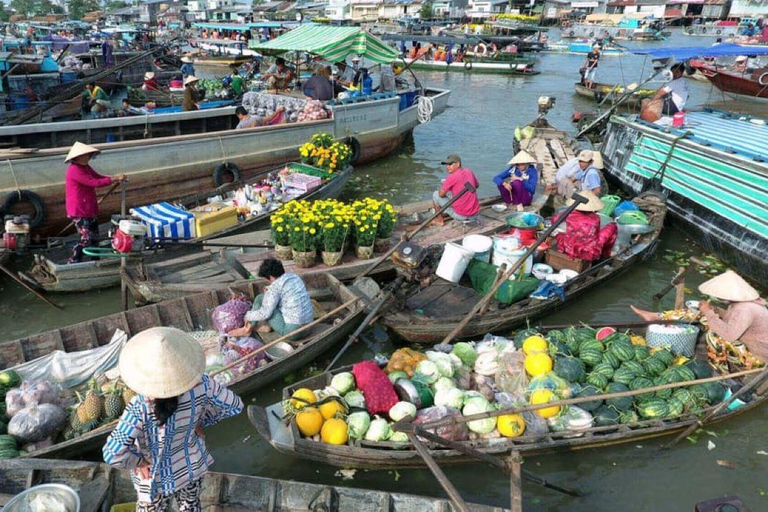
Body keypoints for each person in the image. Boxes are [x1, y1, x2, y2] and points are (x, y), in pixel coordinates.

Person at [103, 327, 243, 511]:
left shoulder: (140, 405)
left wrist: (139, 462)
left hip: (152, 477)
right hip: (189, 468)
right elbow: (235, 405)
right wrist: (202, 421)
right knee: (190, 507)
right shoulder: (203, 383)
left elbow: (112, 453)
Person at [631, 271, 768, 363]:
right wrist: (714, 310)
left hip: (755, 356)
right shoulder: (741, 304)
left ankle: (720, 368)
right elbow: (733, 320)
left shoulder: (745, 309)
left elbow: (729, 335)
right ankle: (655, 316)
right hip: (744, 341)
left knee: (713, 337)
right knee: (698, 313)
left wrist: (709, 312)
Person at [65, 142, 126, 263]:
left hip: (89, 208)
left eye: (88, 155)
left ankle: (96, 260)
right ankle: (74, 261)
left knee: (94, 237)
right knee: (86, 238)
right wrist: (114, 179)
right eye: (85, 155)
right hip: (79, 210)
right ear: (77, 157)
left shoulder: (85, 167)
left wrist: (114, 178)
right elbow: (93, 183)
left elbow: (98, 177)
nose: (88, 157)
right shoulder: (74, 170)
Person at [228, 258, 313, 338]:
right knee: (270, 301)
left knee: (260, 298)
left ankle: (247, 329)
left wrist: (248, 315)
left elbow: (265, 313)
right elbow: (283, 289)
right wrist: (270, 290)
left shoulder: (274, 288)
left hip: (292, 332)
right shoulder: (294, 277)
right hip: (309, 326)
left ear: (271, 276)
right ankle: (263, 327)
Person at [552, 190, 617, 262]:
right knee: (613, 226)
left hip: (568, 248)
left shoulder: (569, 214)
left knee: (561, 235)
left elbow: (554, 220)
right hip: (588, 253)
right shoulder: (595, 218)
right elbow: (595, 233)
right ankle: (606, 254)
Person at [432, 154, 480, 226]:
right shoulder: (469, 171)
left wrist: (444, 185)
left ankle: (439, 220)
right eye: (446, 165)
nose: (447, 167)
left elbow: (441, 195)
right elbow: (476, 185)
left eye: (450, 164)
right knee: (454, 196)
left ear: (458, 164)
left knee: (435, 194)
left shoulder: (451, 177)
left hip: (462, 216)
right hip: (476, 214)